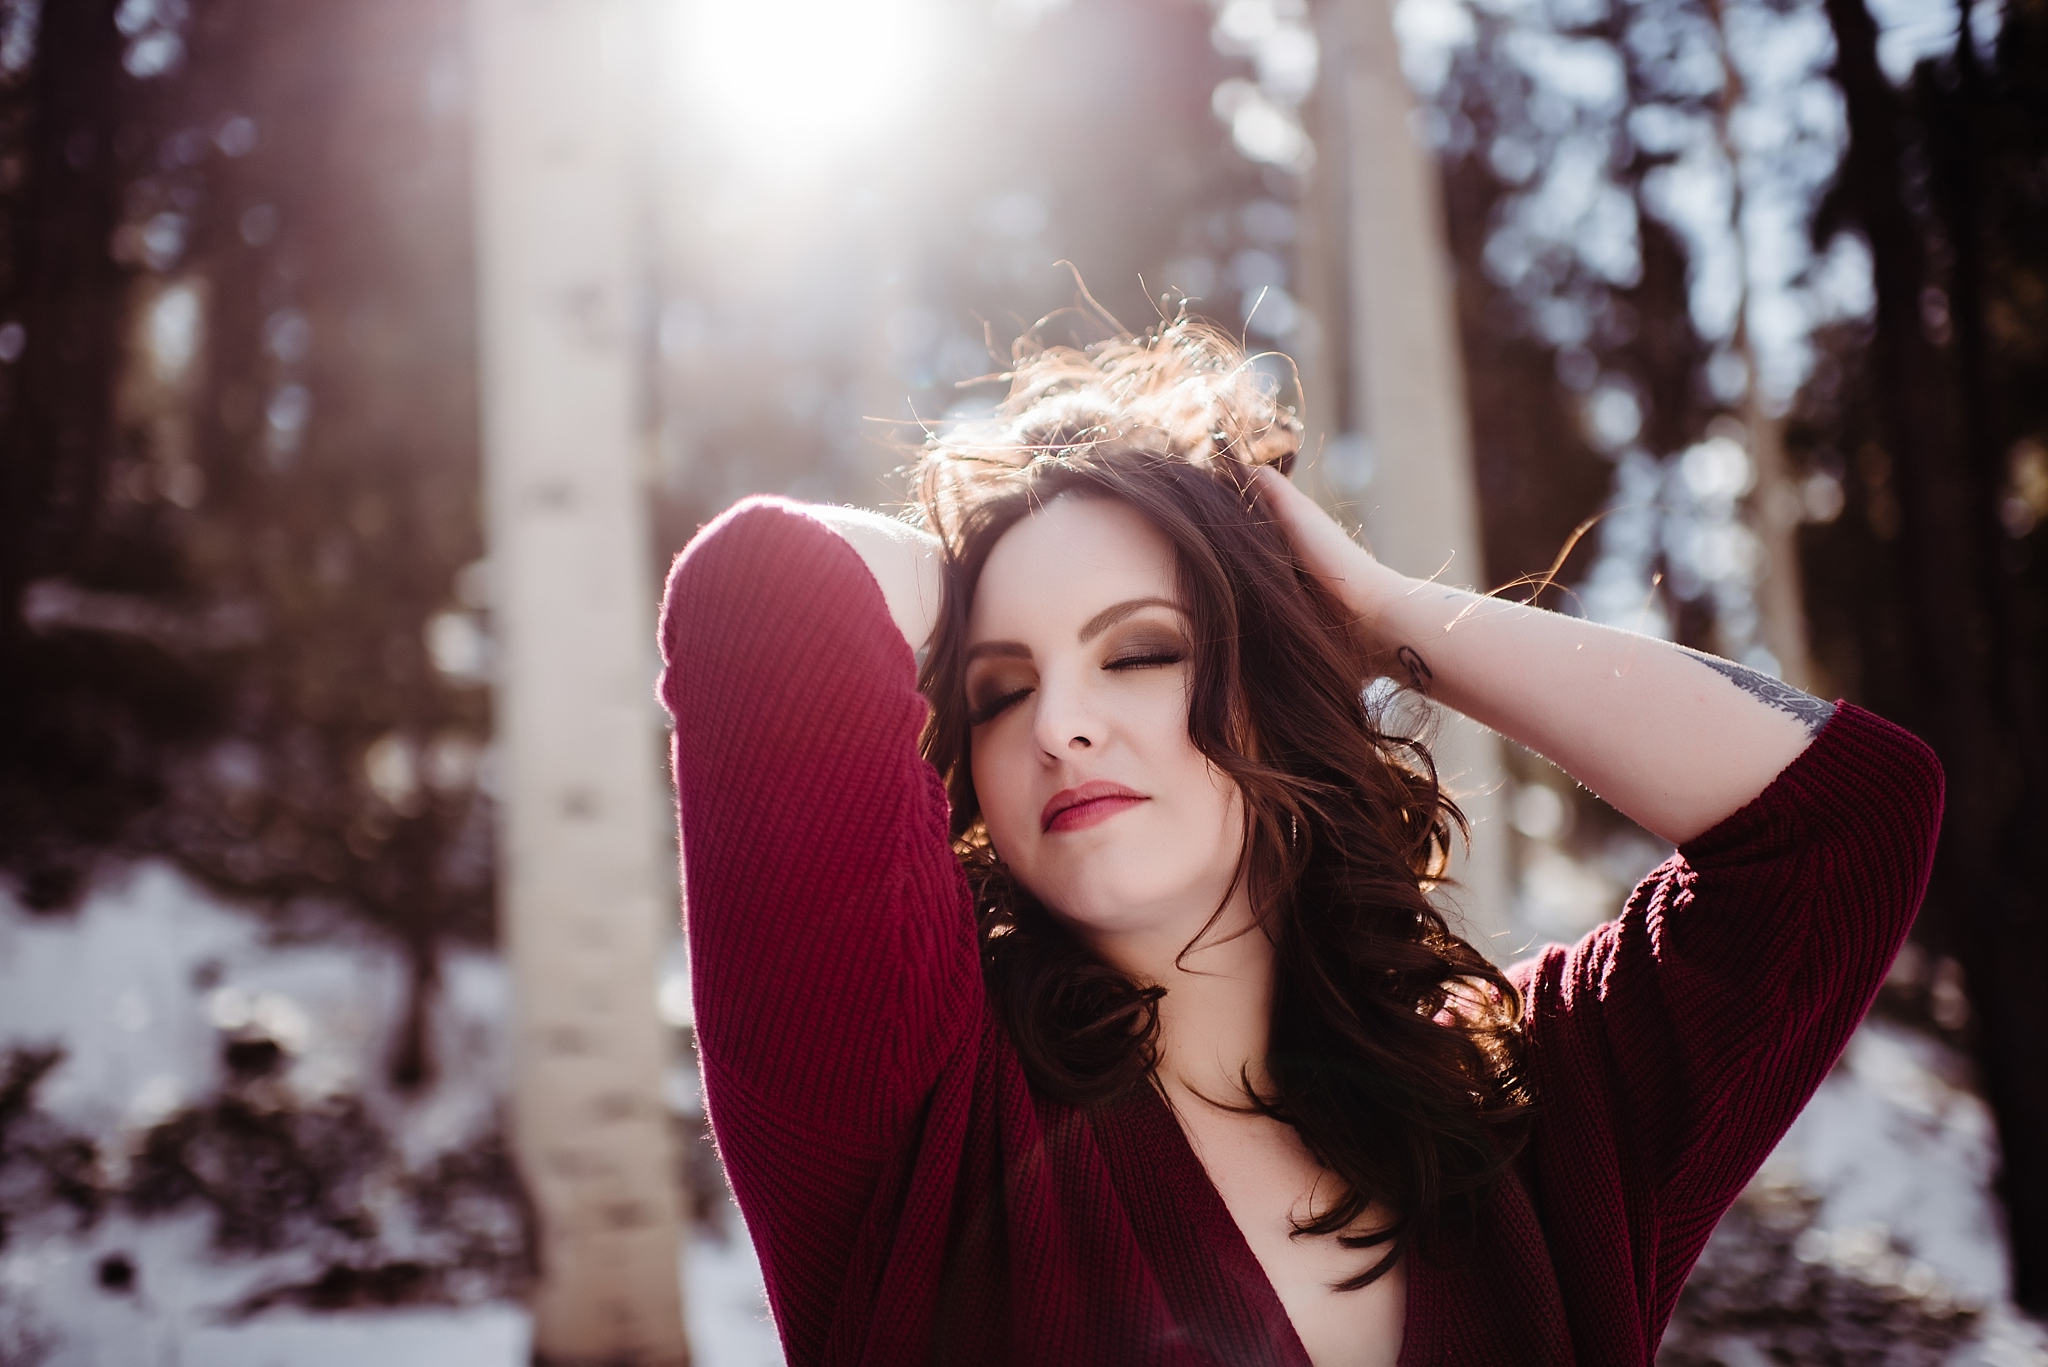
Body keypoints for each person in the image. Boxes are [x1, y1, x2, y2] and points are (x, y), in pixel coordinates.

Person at [658, 317, 1941, 1366]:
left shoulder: (1533, 1120)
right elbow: (766, 590)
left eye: (1141, 651)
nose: (1058, 723)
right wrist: (974, 545)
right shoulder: (914, 1119)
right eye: (997, 688)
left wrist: (1388, 614)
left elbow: (1848, 816)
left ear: (1276, 686)